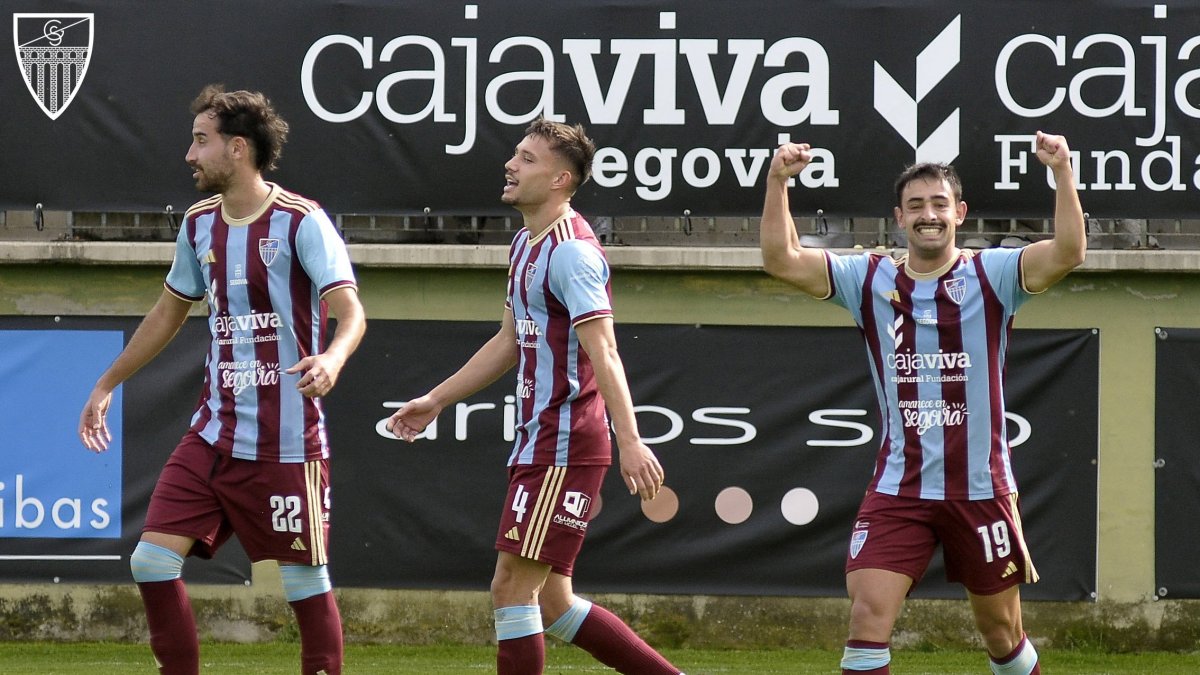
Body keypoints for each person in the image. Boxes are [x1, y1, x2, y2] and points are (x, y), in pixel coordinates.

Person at [760, 132, 1085, 675]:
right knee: (867, 621)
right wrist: (777, 182)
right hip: (898, 490)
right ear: (899, 218)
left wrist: (1061, 172)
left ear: (959, 213)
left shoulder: (994, 274)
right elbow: (781, 258)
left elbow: (1070, 251)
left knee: (1001, 633)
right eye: (916, 206)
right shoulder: (868, 279)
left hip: (980, 490)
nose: (928, 215)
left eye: (938, 204)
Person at [79, 84, 365, 675]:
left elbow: (351, 311)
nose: (189, 154)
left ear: (238, 149)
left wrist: (332, 359)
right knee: (151, 563)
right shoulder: (198, 225)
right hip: (212, 436)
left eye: (201, 141)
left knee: (305, 582)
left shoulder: (301, 222)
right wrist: (107, 383)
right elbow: (167, 313)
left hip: (286, 445)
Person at [386, 119, 683, 675]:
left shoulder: (572, 254)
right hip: (539, 441)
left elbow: (606, 353)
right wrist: (437, 399)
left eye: (526, 158)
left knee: (510, 589)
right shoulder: (526, 242)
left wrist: (632, 441)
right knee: (552, 602)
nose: (511, 164)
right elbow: (507, 340)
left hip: (563, 444)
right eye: (515, 155)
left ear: (559, 179)